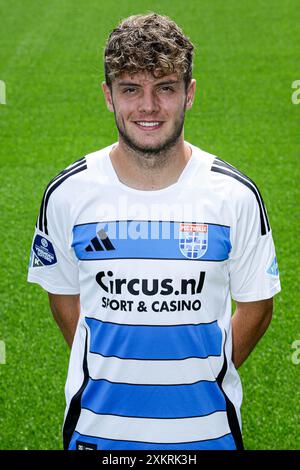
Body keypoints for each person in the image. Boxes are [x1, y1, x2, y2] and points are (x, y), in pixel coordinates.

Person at [27, 12, 281, 451]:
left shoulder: (234, 195)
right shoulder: (67, 194)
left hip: (208, 436)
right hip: (98, 435)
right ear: (109, 96)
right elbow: (64, 298)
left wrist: (200, 370)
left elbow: (257, 306)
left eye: (165, 88)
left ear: (189, 94)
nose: (148, 106)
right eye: (131, 89)